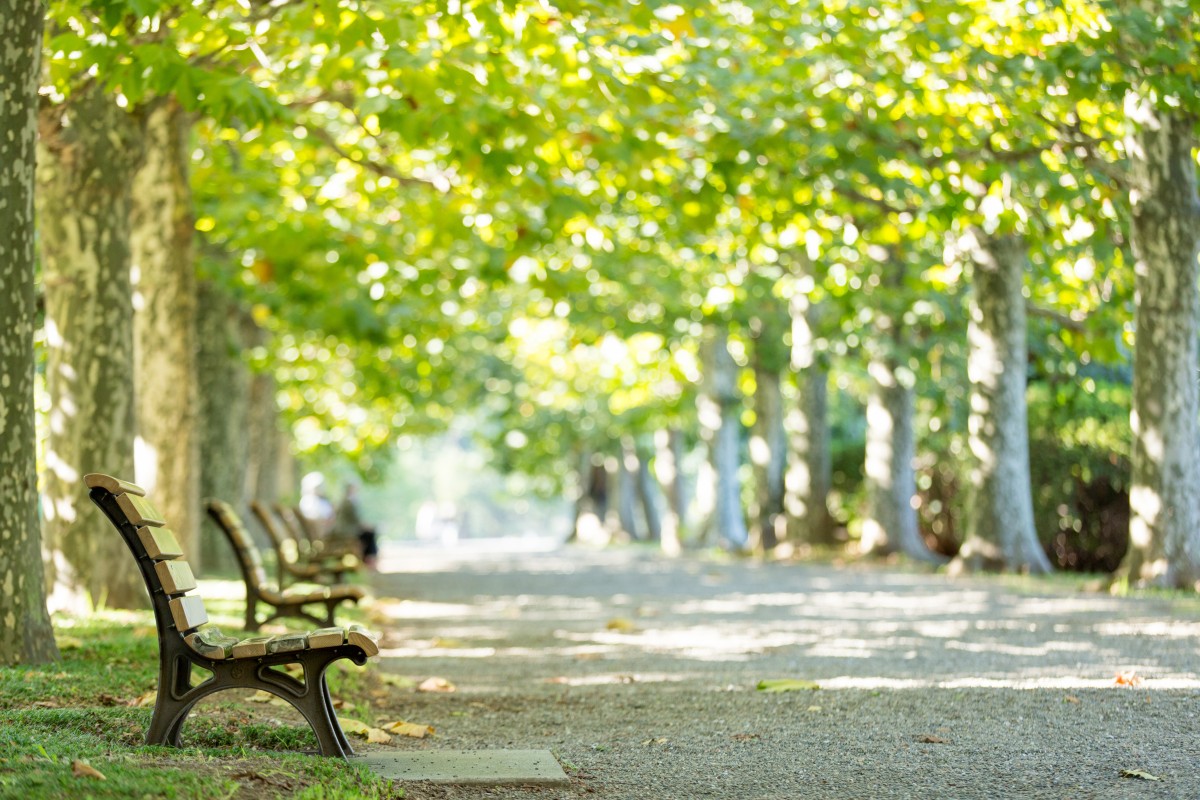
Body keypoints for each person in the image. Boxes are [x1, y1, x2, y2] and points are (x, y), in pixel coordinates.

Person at [333, 482, 379, 570]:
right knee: (369, 534)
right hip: (346, 532)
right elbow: (358, 521)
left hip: (345, 531)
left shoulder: (345, 501)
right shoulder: (348, 503)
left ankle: (368, 559)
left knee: (369, 534)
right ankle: (369, 560)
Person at [297, 471, 335, 542]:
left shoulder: (320, 500)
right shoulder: (308, 501)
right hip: (318, 533)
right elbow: (314, 519)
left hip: (322, 531)